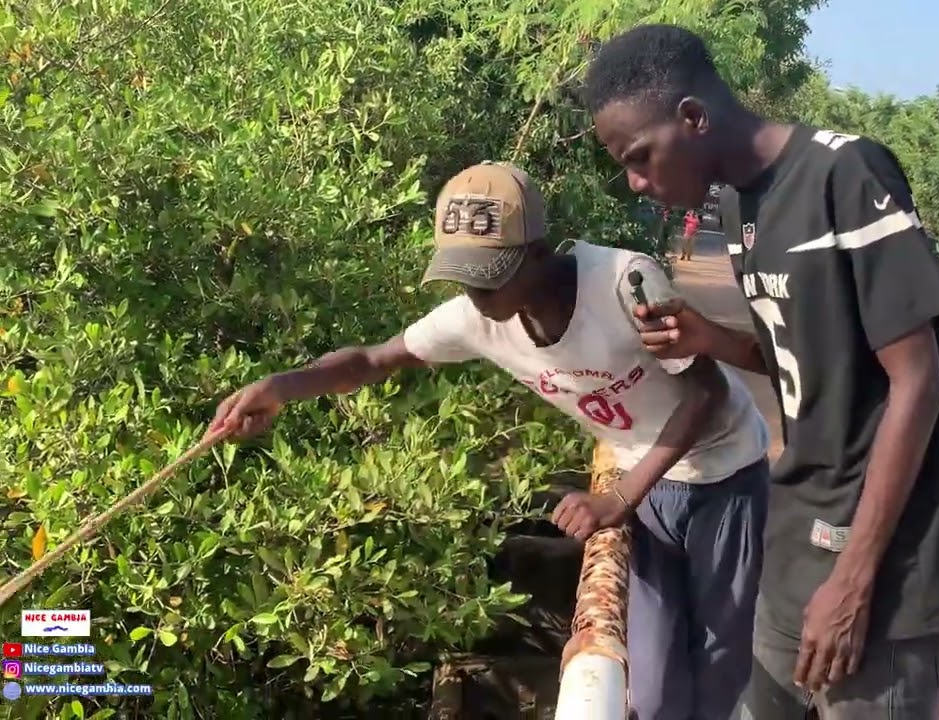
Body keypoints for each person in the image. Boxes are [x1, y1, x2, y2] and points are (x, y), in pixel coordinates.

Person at [201, 161, 771, 720]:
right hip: (641, 479)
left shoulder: (623, 283)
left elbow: (707, 393)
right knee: (654, 675)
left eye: (489, 275)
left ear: (538, 254)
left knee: (718, 655)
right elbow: (373, 360)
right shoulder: (476, 319)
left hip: (721, 472)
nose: (475, 292)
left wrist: (618, 498)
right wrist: (280, 387)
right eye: (464, 275)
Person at [582, 24, 939, 719]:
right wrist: (709, 338)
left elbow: (917, 381)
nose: (637, 182)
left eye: (640, 157)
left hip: (884, 568)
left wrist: (853, 582)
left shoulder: (845, 174)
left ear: (693, 118)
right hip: (798, 538)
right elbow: (811, 359)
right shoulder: (740, 203)